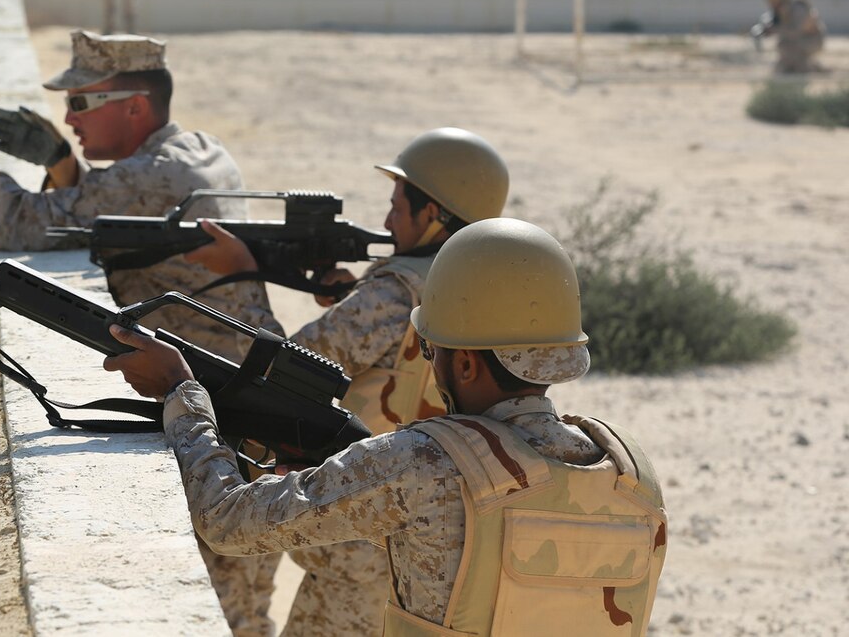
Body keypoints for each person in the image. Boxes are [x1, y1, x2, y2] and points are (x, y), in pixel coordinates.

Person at [0, 29, 279, 637]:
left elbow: (22, 223)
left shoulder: (152, 175)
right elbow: (105, 221)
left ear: (134, 106)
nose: (69, 117)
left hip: (215, 423)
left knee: (226, 609)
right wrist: (63, 166)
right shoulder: (198, 150)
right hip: (231, 411)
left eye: (81, 103)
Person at [107, 217, 669, 636]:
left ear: (466, 363)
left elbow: (228, 521)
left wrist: (182, 396)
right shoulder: (630, 473)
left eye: (430, 348)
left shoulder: (422, 461)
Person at [183, 128, 509, 635]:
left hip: (363, 546)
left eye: (398, 206)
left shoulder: (391, 292)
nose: (385, 220)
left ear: (433, 216)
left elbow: (281, 374)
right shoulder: (492, 291)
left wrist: (245, 277)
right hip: (446, 545)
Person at [750, 0, 826, 74]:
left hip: (812, 40)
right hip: (797, 41)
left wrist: (774, 29)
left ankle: (807, 70)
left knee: (788, 49)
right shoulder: (782, 8)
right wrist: (765, 28)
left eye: (774, 1)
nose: (772, 4)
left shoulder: (798, 8)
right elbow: (771, 20)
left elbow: (796, 30)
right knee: (784, 51)